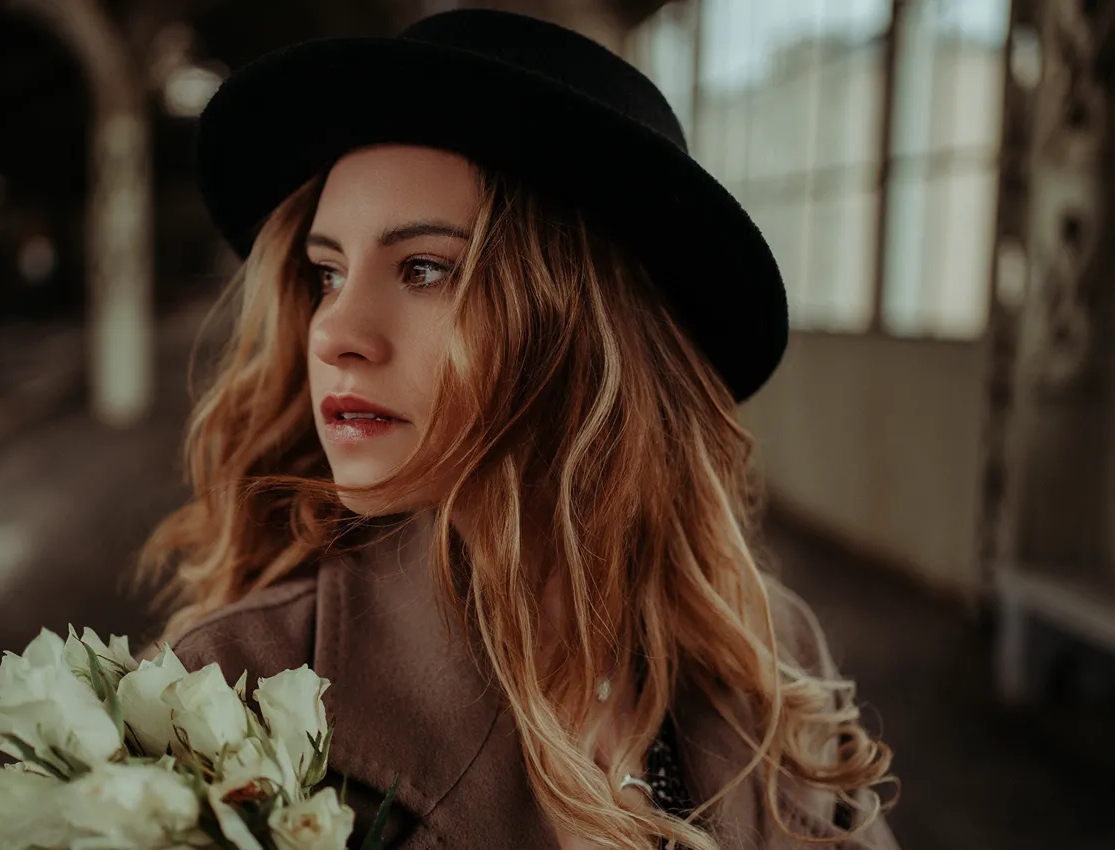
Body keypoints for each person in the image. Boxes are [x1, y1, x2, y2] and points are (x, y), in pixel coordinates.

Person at [141, 9, 899, 850]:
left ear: (590, 325)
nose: (333, 332)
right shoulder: (225, 696)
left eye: (423, 268)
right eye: (328, 273)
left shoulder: (773, 654)